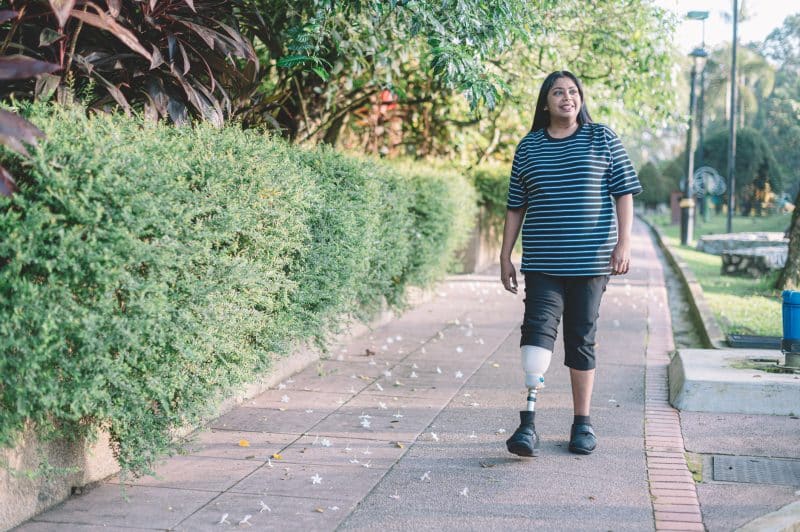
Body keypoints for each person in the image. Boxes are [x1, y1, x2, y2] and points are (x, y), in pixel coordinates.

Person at [499, 70, 641, 457]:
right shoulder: (528, 147)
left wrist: (624, 244)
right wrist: (505, 255)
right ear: (545, 102)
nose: (567, 97)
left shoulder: (602, 138)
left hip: (590, 261)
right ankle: (527, 425)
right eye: (558, 92)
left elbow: (624, 192)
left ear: (581, 99)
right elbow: (516, 206)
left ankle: (583, 424)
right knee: (536, 335)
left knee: (581, 339)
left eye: (573, 91)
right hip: (543, 261)